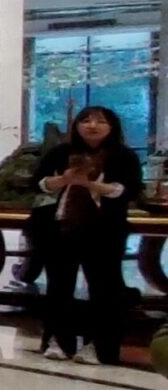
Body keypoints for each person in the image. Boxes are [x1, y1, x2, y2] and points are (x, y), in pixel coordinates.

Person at [32, 106, 141, 366]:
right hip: (61, 226)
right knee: (59, 286)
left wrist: (90, 184)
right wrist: (65, 179)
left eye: (100, 122)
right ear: (77, 126)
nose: (92, 126)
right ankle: (58, 340)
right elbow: (40, 183)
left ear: (112, 127)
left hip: (104, 230)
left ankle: (98, 346)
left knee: (104, 288)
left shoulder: (123, 156)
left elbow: (125, 190)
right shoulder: (61, 152)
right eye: (86, 120)